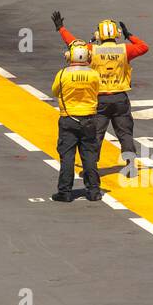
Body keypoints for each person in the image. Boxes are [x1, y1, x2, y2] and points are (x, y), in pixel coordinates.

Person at [51, 13, 149, 177]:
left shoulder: (92, 50)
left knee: (96, 134)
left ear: (99, 34)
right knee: (125, 134)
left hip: (100, 99)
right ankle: (131, 165)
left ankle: (92, 168)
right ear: (116, 33)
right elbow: (144, 47)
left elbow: (74, 45)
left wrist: (61, 28)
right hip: (120, 98)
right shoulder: (125, 49)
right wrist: (129, 36)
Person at [50, 41, 103, 202]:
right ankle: (94, 191)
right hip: (89, 119)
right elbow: (98, 90)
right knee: (89, 156)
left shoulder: (62, 74)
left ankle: (65, 191)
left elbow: (55, 91)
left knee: (67, 157)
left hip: (68, 118)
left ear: (69, 56)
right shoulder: (94, 74)